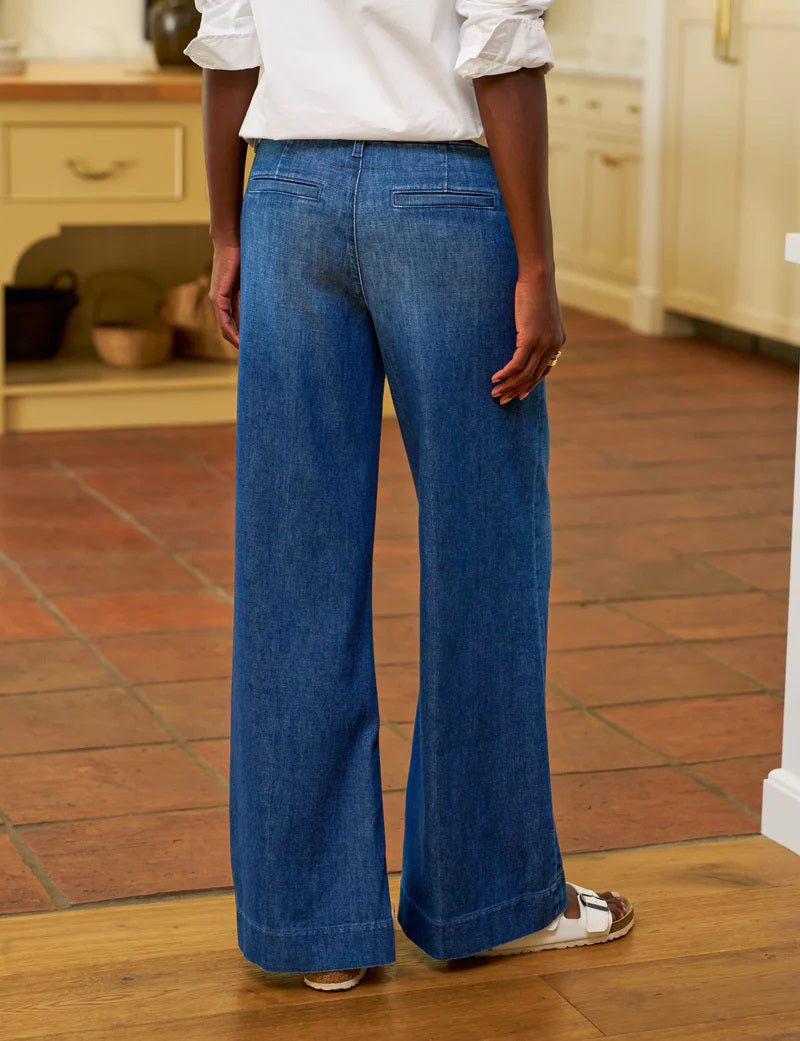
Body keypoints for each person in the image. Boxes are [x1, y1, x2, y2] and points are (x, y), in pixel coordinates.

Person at [185, 0, 635, 994]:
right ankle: (490, 901)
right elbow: (501, 54)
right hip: (444, 199)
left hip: (286, 199)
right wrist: (536, 267)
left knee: (293, 567)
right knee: (484, 556)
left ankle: (316, 928)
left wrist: (225, 231)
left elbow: (230, 49)